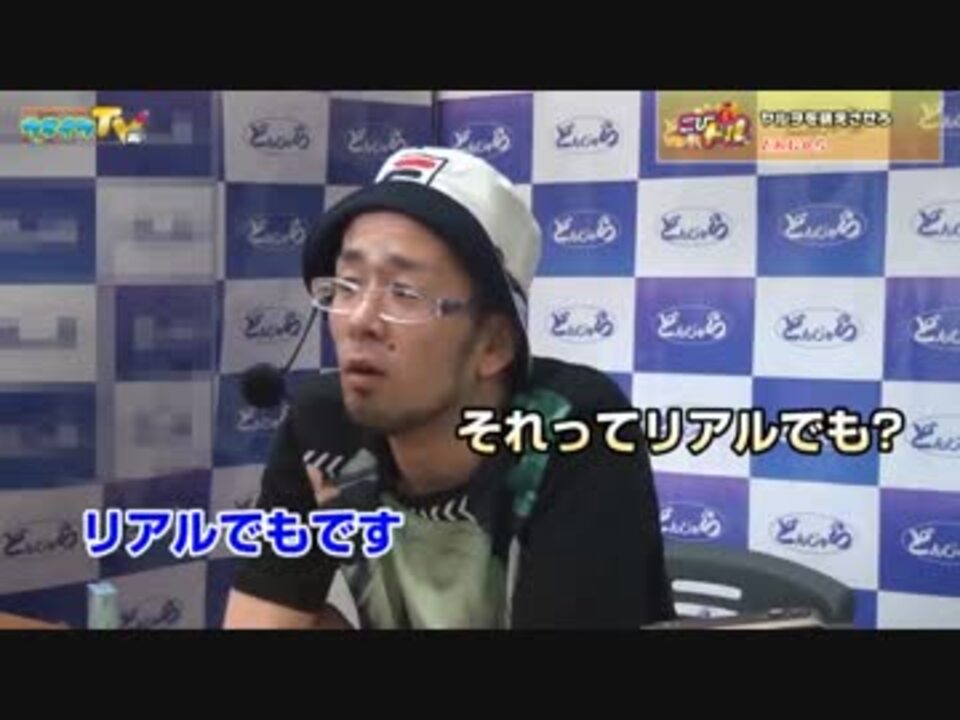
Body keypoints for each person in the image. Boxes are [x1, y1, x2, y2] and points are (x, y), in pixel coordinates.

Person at [223, 146, 675, 629]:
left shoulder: (573, 428)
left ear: (493, 345)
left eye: (404, 292)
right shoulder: (324, 427)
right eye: (348, 285)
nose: (358, 320)